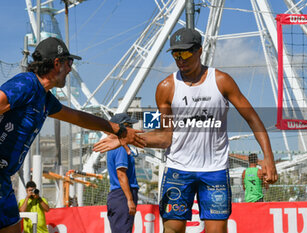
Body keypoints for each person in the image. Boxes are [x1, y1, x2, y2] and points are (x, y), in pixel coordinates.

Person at [94, 27, 278, 233]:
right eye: (175, 54)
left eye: (185, 53)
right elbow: (165, 137)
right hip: (178, 169)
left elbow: (253, 118)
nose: (180, 59)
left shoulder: (221, 81)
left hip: (214, 170)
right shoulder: (166, 87)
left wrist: (268, 157)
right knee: (172, 230)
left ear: (199, 50)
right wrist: (126, 138)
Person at [0, 37, 145, 233]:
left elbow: (78, 117)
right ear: (57, 63)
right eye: (69, 63)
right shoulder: (26, 84)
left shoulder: (45, 98)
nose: (70, 69)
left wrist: (118, 130)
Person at [106, 113, 139, 233]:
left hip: (119, 195)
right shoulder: (120, 147)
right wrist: (129, 199)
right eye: (130, 125)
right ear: (122, 127)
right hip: (123, 195)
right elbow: (121, 174)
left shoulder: (115, 147)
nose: (133, 129)